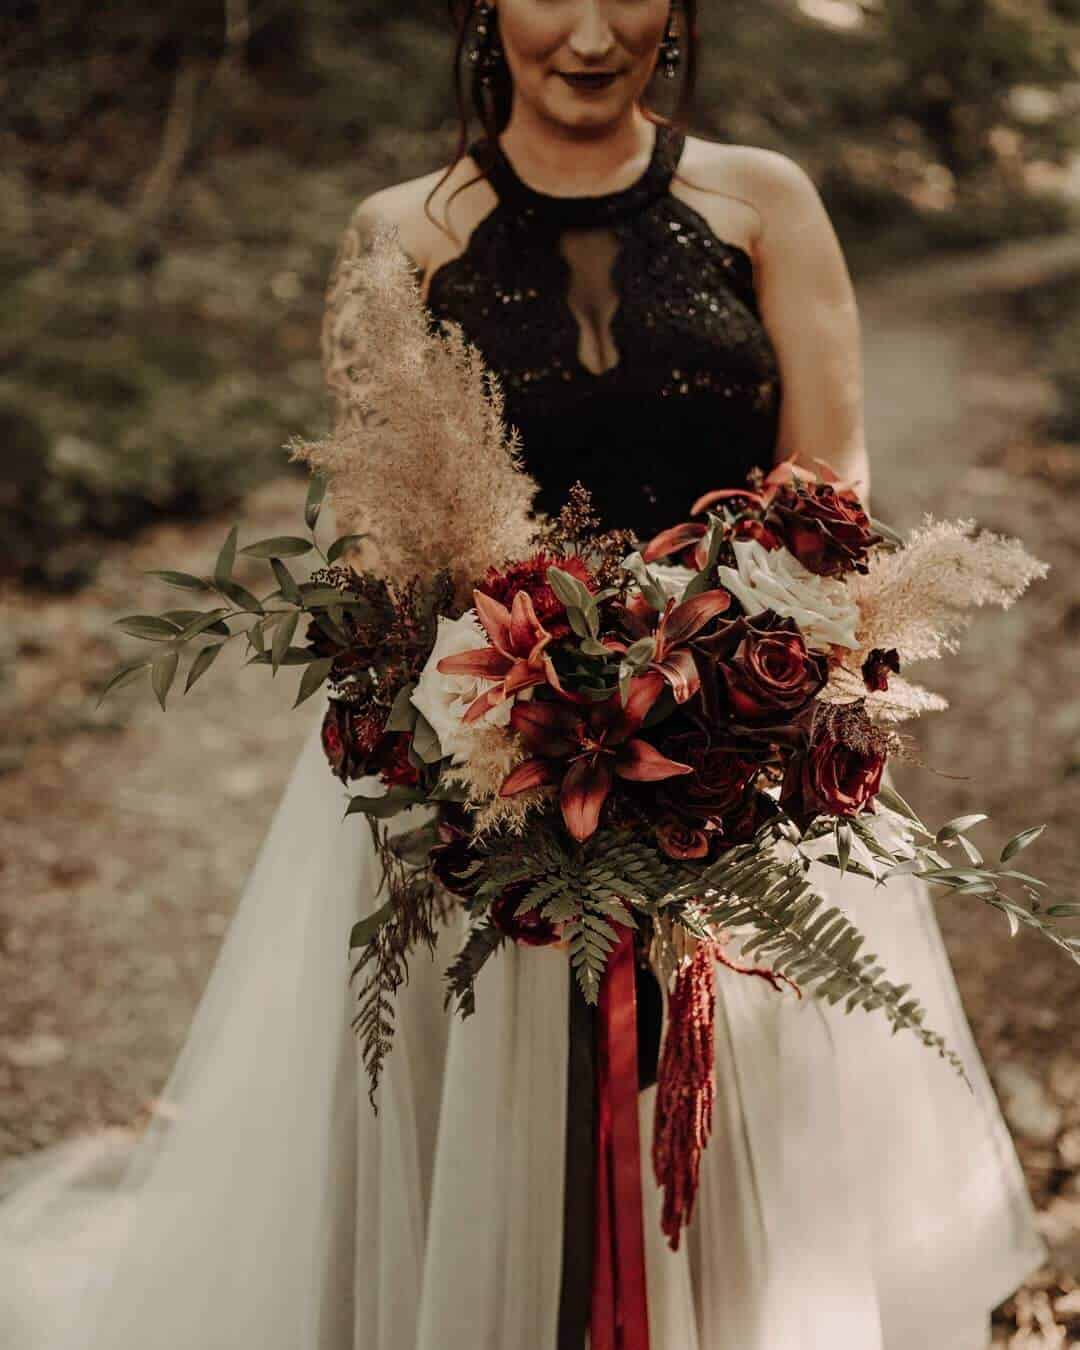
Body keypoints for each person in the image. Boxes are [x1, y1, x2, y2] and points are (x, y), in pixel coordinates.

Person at [0, 2, 1048, 1347]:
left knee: (732, 1163)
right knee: (468, 1158)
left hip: (734, 765)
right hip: (478, 777)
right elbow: (383, 554)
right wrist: (502, 719)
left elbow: (830, 486)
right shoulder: (402, 231)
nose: (594, 31)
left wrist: (735, 689)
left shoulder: (765, 202)